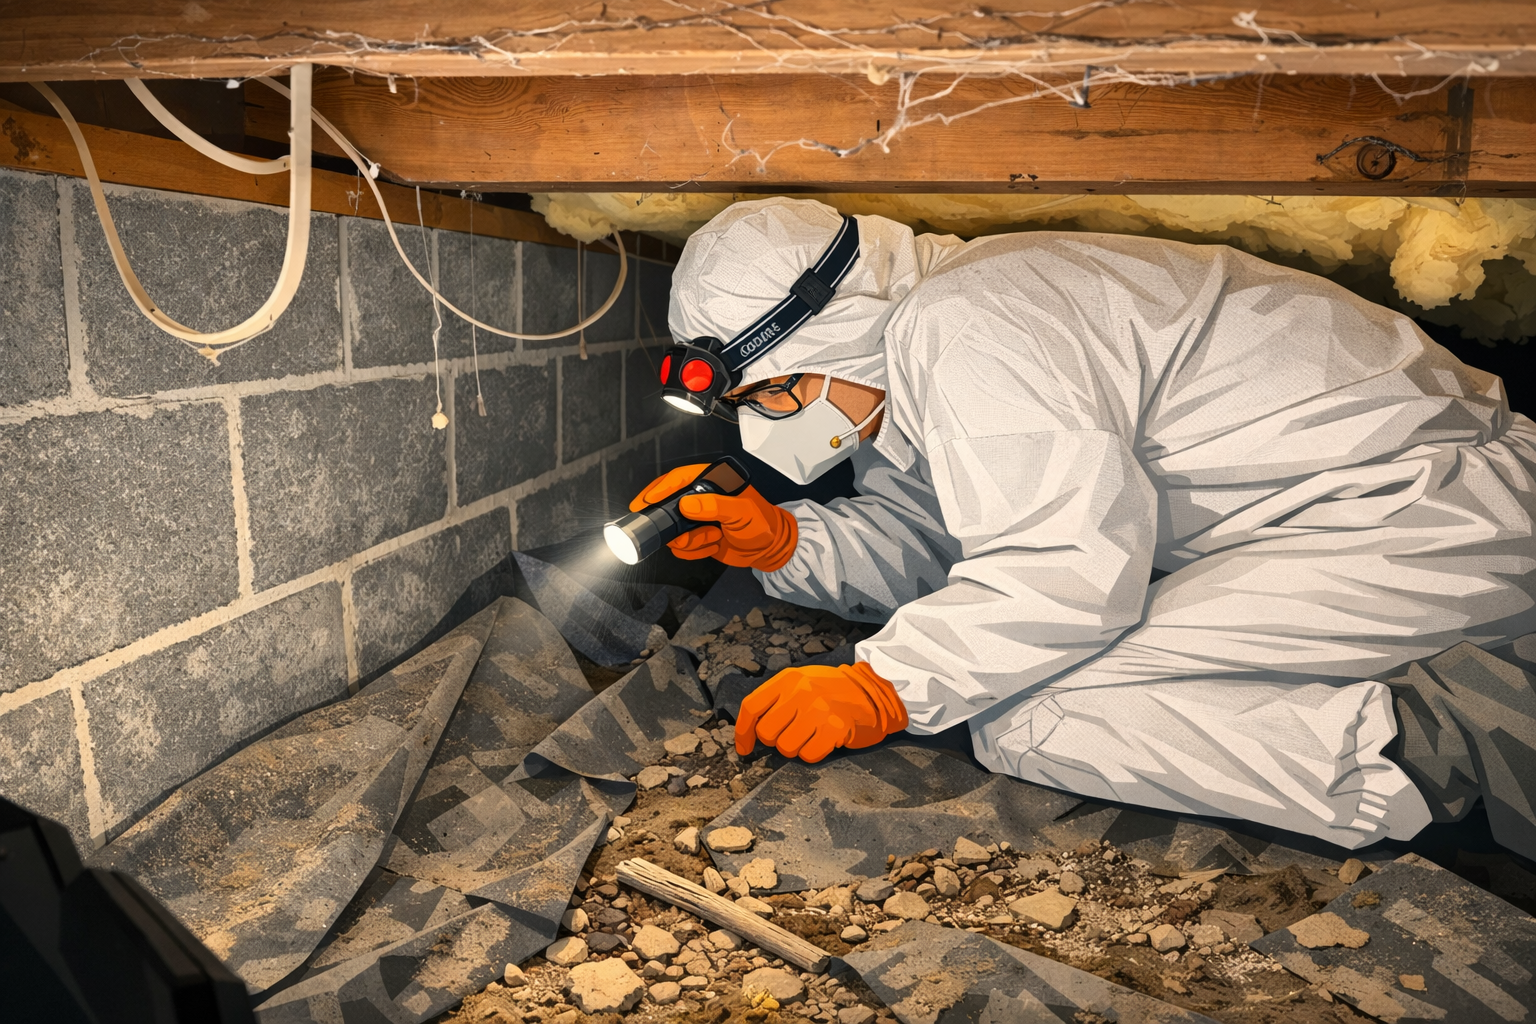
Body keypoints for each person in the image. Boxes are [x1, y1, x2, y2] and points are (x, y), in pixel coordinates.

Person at [631, 197, 1536, 856]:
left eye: (780, 393)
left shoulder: (974, 320)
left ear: (841, 329)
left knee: (1039, 717)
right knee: (1025, 688)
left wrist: (882, 685)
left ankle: (1457, 744)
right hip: (1345, 515)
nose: (773, 427)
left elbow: (1060, 571)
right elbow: (950, 544)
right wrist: (787, 543)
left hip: (1422, 515)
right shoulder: (915, 349)